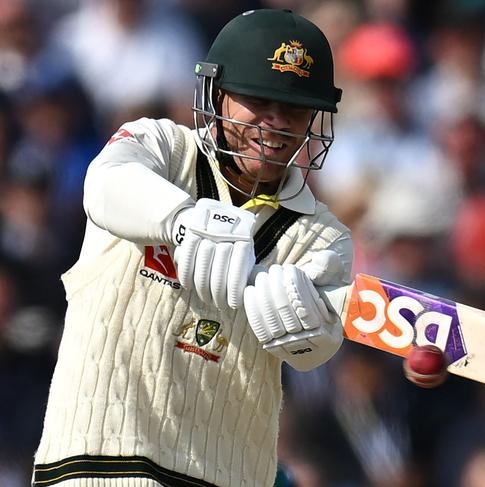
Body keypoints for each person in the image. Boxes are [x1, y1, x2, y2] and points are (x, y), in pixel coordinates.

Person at [32, 9, 442, 487]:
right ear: (218, 95)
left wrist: (300, 326)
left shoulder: (320, 236)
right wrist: (182, 219)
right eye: (258, 100)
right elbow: (104, 184)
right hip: (96, 469)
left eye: (293, 109)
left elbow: (316, 351)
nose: (275, 124)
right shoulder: (162, 148)